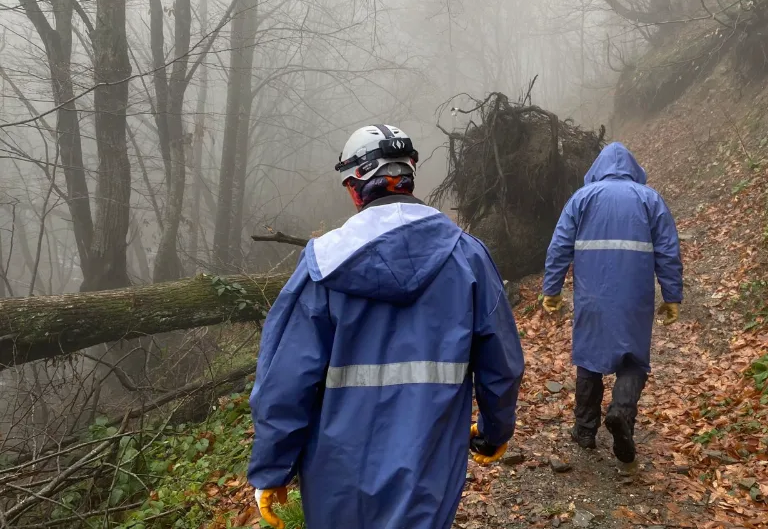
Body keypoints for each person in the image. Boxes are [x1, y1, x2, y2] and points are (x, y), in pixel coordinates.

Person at [248, 124, 524, 529]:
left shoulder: (323, 265)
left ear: (354, 186)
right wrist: (495, 431)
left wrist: (272, 468)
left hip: (335, 473)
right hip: (429, 465)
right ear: (409, 175)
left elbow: (284, 381)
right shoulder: (468, 257)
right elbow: (502, 362)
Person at [541, 141, 683, 464]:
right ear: (633, 169)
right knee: (633, 360)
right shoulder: (650, 200)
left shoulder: (581, 199)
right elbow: (668, 251)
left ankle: (585, 430)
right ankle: (620, 412)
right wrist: (672, 295)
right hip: (635, 298)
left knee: (589, 358)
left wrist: (551, 289)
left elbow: (559, 245)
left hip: (592, 296)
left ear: (598, 169)